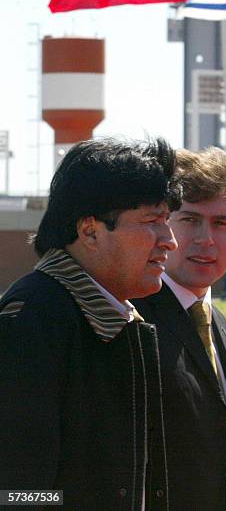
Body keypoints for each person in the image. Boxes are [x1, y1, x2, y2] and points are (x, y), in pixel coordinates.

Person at [0, 137, 181, 511]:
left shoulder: (115, 319)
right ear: (90, 231)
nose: (171, 241)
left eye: (168, 222)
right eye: (152, 222)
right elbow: (16, 493)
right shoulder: (31, 320)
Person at [132, 147, 226, 511]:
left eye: (221, 223)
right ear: (161, 225)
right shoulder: (131, 319)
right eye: (190, 220)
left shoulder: (219, 326)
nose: (207, 238)